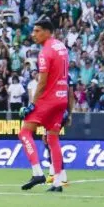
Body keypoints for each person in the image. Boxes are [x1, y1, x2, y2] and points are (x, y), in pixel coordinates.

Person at [19, 19, 73, 193]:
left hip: (48, 100)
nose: (33, 34)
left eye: (37, 31)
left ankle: (37, 173)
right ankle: (57, 182)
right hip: (61, 99)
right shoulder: (61, 47)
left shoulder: (45, 52)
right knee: (52, 138)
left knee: (24, 132)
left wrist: (32, 104)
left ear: (48, 32)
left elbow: (42, 82)